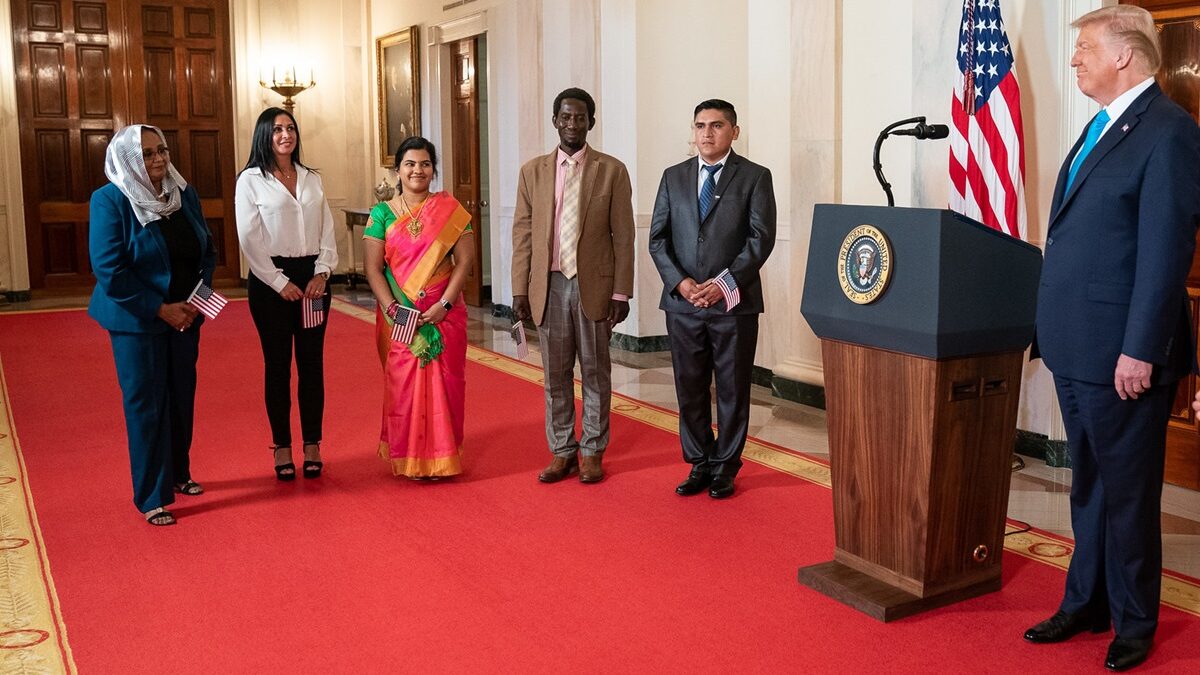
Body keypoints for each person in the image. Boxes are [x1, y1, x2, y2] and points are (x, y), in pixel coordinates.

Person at [1024, 7, 1200, 672]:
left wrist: (1141, 348)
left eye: (1086, 48)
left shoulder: (1169, 133)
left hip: (1123, 352)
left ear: (1125, 55)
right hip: (1077, 343)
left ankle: (1133, 621)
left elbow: (1164, 253)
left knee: (1128, 492)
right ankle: (1086, 601)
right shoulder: (1099, 128)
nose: (1075, 59)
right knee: (1089, 484)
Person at [88, 124, 217, 526]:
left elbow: (207, 250)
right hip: (136, 321)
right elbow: (110, 268)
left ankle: (179, 473)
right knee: (147, 404)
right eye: (147, 153)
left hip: (186, 317)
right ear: (128, 159)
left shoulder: (184, 194)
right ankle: (151, 495)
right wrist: (161, 308)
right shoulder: (111, 200)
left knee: (181, 396)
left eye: (161, 150)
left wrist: (196, 300)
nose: (159, 158)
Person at [648, 99, 776, 500]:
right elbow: (658, 238)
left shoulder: (755, 177)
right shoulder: (673, 177)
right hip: (683, 304)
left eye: (717, 126)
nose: (706, 133)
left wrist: (723, 283)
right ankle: (699, 461)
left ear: (734, 132)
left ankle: (725, 467)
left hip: (733, 304)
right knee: (689, 386)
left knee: (733, 388)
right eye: (700, 125)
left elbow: (760, 239)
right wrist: (680, 283)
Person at [511, 87, 636, 484]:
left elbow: (624, 236)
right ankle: (562, 449)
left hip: (593, 288)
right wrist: (519, 289)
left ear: (591, 123)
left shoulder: (612, 170)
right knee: (556, 375)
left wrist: (621, 292)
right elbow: (523, 234)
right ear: (554, 121)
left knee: (596, 373)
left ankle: (593, 450)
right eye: (565, 117)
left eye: (580, 117)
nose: (571, 124)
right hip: (548, 285)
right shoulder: (533, 171)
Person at [235, 107, 338, 481]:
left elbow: (327, 227)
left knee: (311, 364)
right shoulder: (250, 180)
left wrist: (323, 272)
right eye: (277, 129)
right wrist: (279, 282)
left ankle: (312, 442)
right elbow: (249, 237)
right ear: (265, 135)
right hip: (270, 284)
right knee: (278, 366)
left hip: (313, 282)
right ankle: (282, 446)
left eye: (290, 128)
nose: (285, 134)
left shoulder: (312, 178)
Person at [363, 137, 474, 478]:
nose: (417, 170)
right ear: (398, 169)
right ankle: (409, 457)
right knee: (404, 387)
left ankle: (442, 457)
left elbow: (466, 260)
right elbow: (372, 268)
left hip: (444, 313)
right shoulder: (381, 213)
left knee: (447, 384)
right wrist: (395, 309)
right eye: (410, 164)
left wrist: (444, 303)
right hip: (401, 315)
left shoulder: (450, 210)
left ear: (433, 169)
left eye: (425, 164)